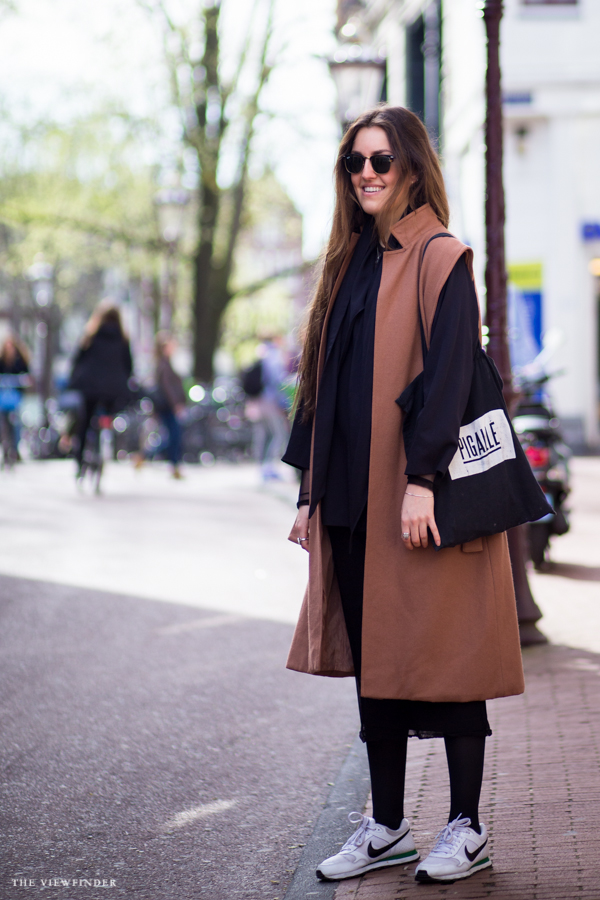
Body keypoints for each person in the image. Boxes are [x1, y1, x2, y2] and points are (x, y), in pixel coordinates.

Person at [283, 106, 524, 885]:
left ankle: (466, 824)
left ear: (413, 166)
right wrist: (308, 492)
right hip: (351, 501)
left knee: (448, 655)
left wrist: (422, 480)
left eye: (381, 162)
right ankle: (386, 824)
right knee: (376, 668)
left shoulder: (440, 256)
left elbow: (451, 376)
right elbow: (319, 384)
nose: (366, 176)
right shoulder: (349, 265)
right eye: (354, 163)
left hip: (416, 498)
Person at [69, 301, 132, 475]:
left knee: (85, 420)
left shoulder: (90, 336)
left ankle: (79, 458)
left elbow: (78, 360)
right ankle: (106, 434)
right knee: (108, 415)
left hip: (90, 387)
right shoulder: (123, 339)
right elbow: (128, 366)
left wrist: (73, 379)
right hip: (113, 390)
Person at [245, 334, 290, 482]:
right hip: (271, 401)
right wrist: (283, 403)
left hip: (259, 401)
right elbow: (277, 382)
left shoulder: (262, 354)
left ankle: (263, 466)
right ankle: (269, 467)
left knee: (265, 434)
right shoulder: (274, 357)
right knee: (279, 434)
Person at [152, 331, 186, 479]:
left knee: (171, 435)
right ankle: (173, 466)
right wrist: (176, 404)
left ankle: (144, 456)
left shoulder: (165, 363)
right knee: (174, 435)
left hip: (166, 406)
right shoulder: (164, 365)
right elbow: (167, 387)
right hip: (167, 406)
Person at [0, 333, 30, 461]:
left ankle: (15, 448)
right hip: (2, 399)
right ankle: (5, 449)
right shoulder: (1, 361)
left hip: (15, 399)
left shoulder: (20, 361)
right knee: (2, 423)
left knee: (16, 423)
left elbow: (27, 376)